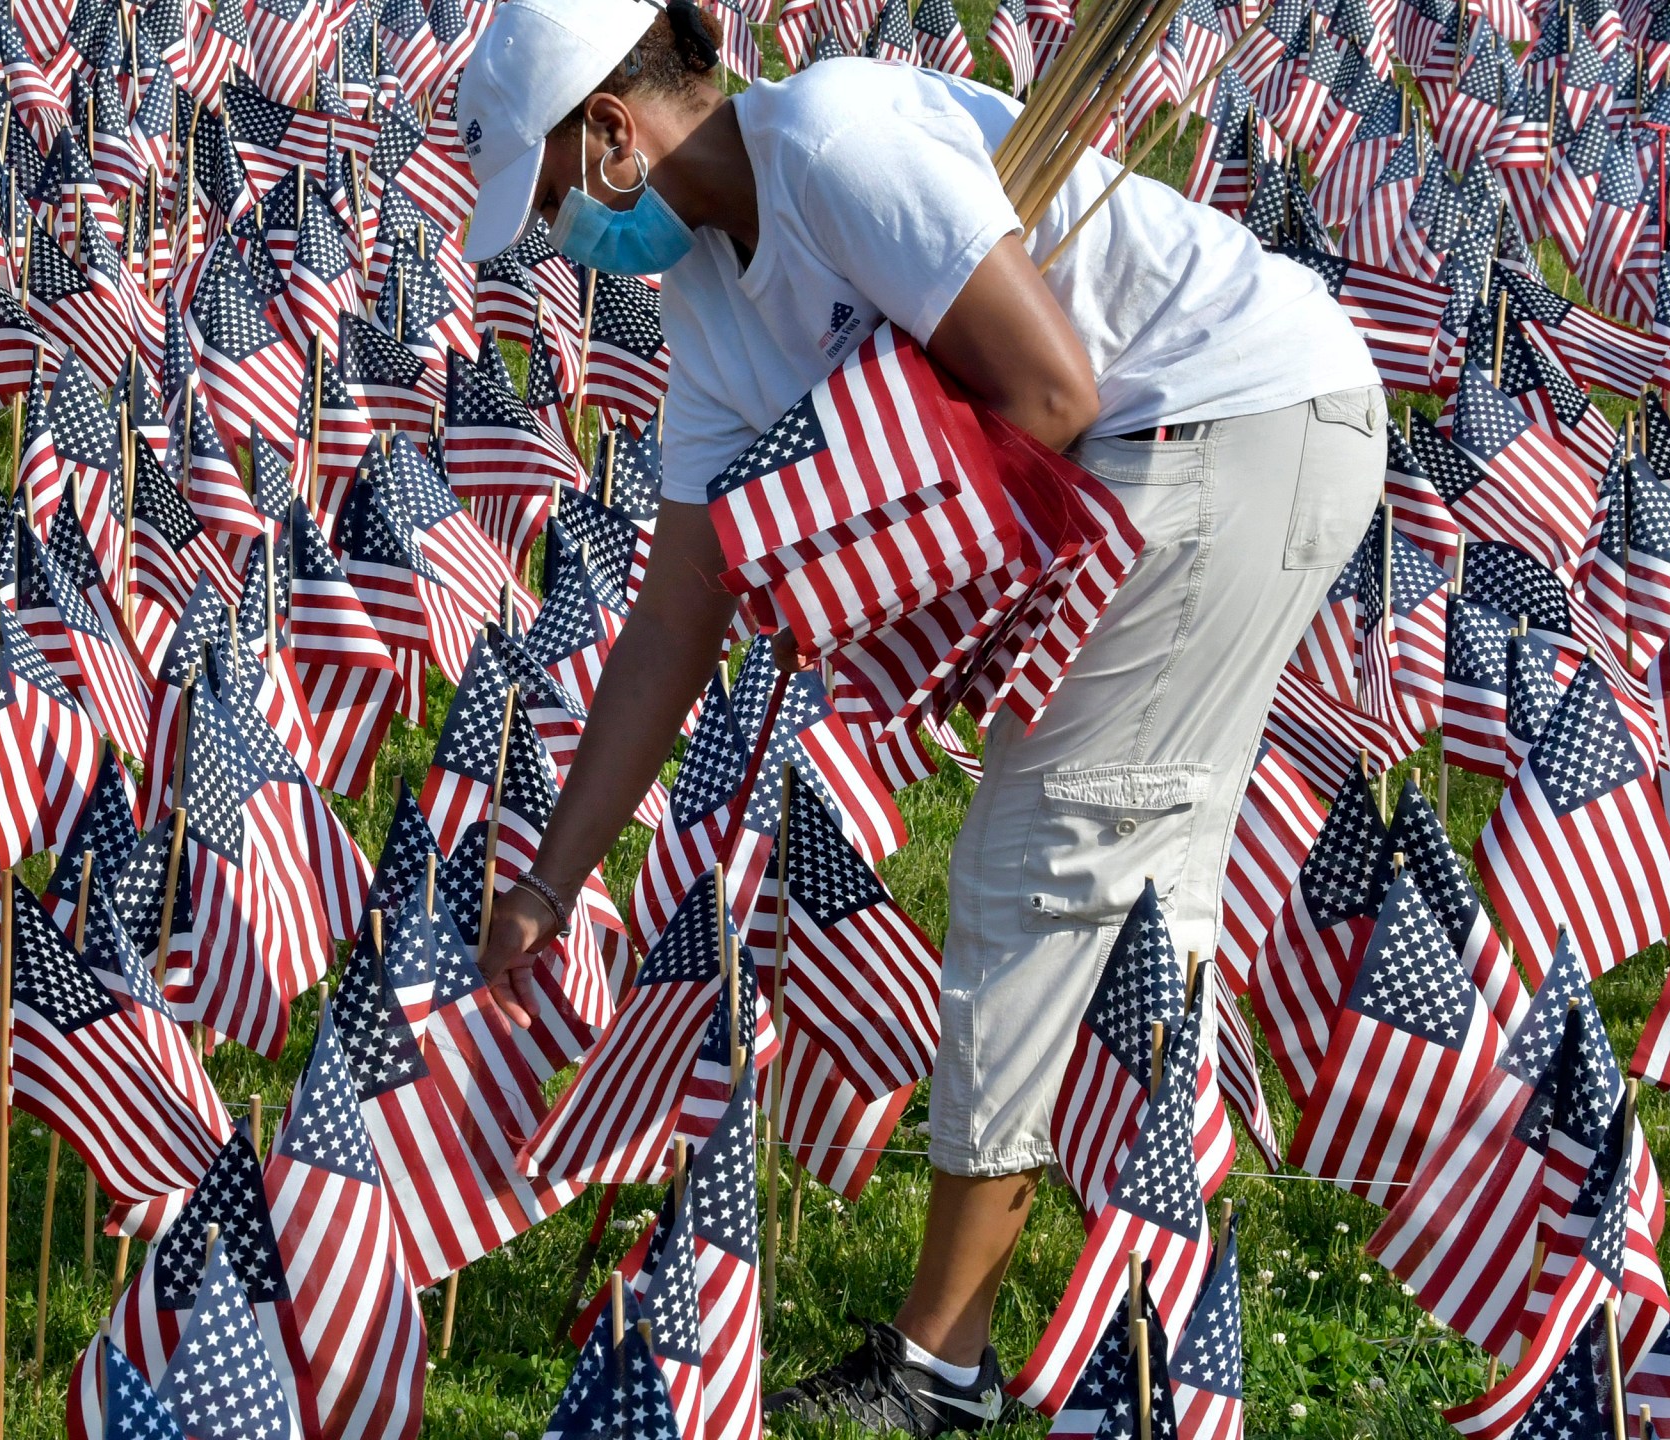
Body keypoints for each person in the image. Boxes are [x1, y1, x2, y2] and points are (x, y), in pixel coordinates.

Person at [455, 0, 1385, 1433]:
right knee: (1121, 886)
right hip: (1167, 453)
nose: (568, 230)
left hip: (1226, 414)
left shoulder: (836, 138)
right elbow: (679, 609)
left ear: (612, 130)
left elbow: (1055, 391)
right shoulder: (709, 297)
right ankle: (1152, 1291)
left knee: (1044, 870)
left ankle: (943, 1365)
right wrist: (551, 879)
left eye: (558, 191)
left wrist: (857, 458)